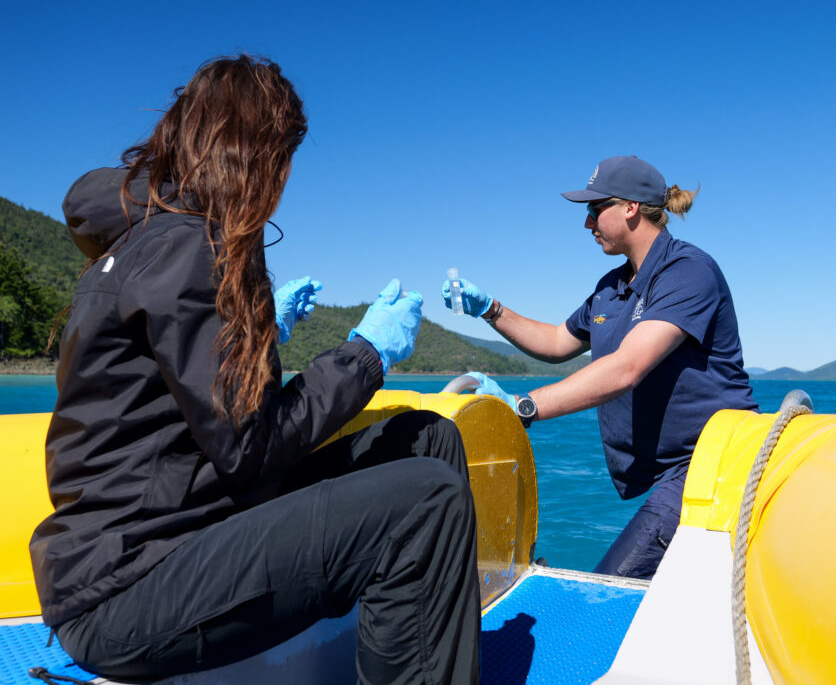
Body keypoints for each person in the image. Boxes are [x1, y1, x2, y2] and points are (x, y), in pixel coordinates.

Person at [30, 55, 480, 684]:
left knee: (427, 439)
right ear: (255, 153)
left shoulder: (150, 243)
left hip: (178, 529)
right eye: (284, 157)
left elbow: (187, 402)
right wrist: (366, 353)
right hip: (130, 585)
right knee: (425, 503)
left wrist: (267, 333)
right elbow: (251, 449)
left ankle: (428, 649)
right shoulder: (196, 248)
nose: (286, 179)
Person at [442, 155, 758, 580]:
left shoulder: (688, 271)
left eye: (594, 210)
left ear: (630, 207)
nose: (587, 224)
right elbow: (557, 341)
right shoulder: (612, 288)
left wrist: (523, 406)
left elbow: (626, 366)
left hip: (713, 465)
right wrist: (491, 310)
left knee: (610, 588)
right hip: (672, 473)